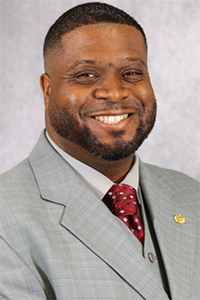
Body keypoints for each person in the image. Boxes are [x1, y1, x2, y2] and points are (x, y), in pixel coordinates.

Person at [0, 2, 199, 300]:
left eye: (131, 72)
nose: (115, 92)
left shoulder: (190, 195)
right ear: (47, 90)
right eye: (86, 75)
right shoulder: (6, 219)